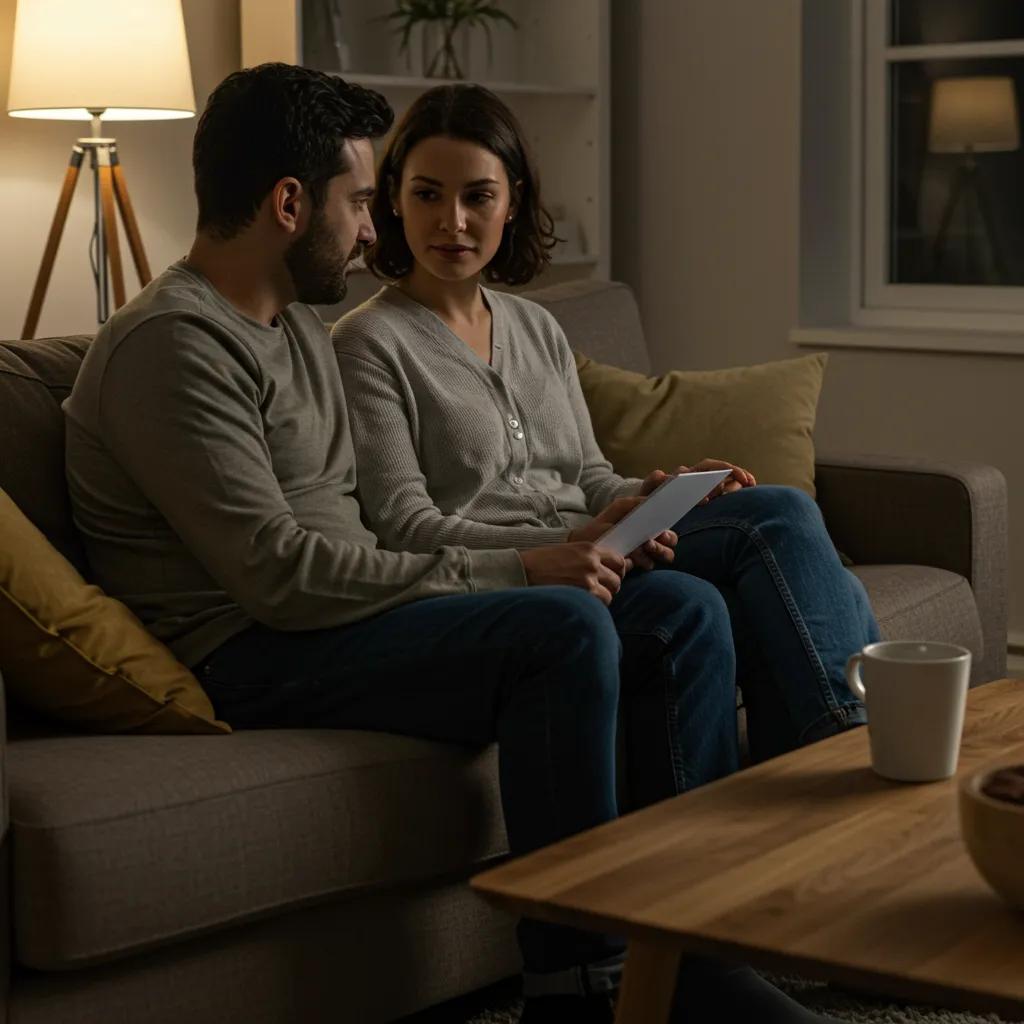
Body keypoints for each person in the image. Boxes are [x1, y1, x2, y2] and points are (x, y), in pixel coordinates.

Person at [62, 64, 840, 1024]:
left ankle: (689, 944)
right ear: (290, 202)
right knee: (560, 631)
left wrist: (598, 520)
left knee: (678, 609)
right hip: (254, 649)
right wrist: (519, 563)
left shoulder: (291, 326)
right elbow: (281, 576)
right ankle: (576, 981)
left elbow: (371, 527)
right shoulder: (171, 347)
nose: (370, 230)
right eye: (362, 201)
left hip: (345, 613)